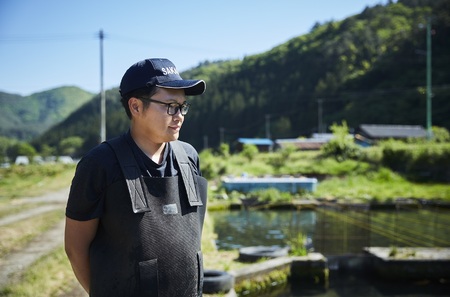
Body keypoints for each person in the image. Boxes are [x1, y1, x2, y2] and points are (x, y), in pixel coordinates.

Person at [64, 58, 208, 297]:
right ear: (136, 107)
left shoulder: (189, 157)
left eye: (183, 106)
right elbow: (75, 249)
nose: (179, 115)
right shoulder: (100, 164)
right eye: (170, 105)